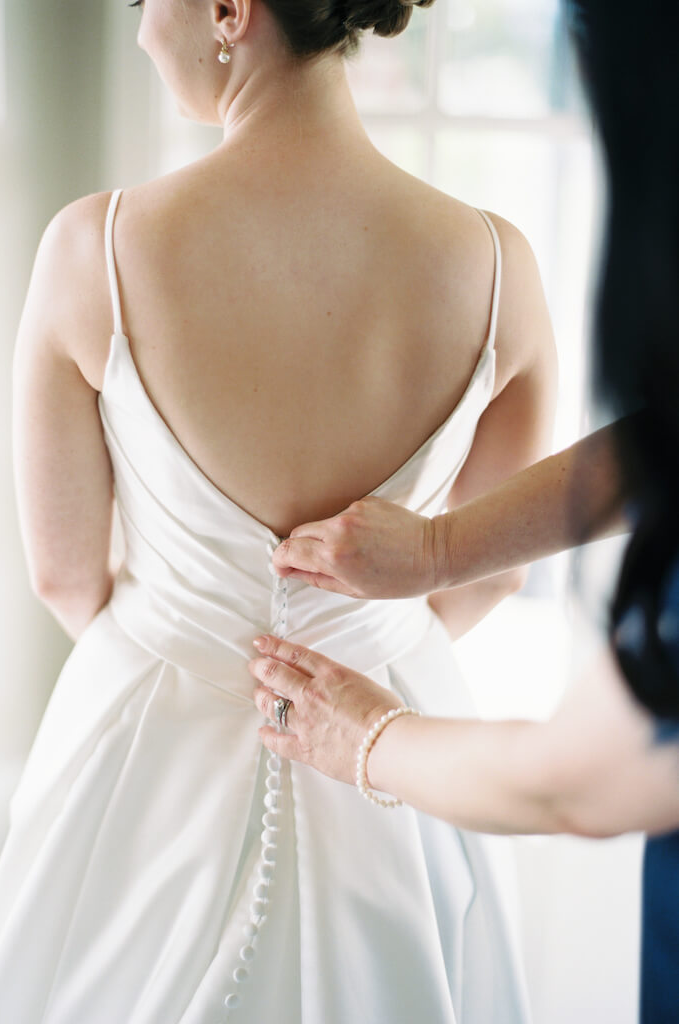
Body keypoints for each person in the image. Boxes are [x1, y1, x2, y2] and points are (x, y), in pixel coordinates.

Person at [0, 1, 558, 1022]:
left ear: (231, 9)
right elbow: (496, 565)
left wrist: (192, 644)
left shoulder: (90, 251)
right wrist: (364, 640)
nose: (143, 30)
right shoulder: (500, 267)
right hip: (396, 743)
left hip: (150, 753)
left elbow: (63, 574)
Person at [249, 1, 679, 1019]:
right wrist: (441, 545)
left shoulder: (91, 244)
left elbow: (579, 781)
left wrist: (365, 733)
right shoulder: (493, 258)